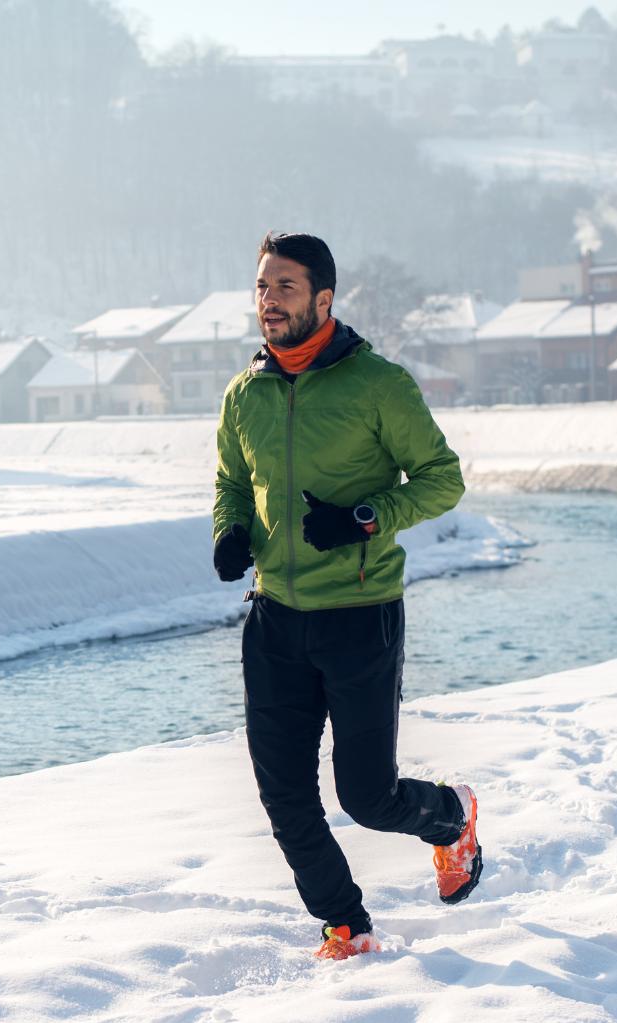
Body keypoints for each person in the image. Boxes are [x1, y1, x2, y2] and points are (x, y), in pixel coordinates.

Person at [213, 232, 477, 962]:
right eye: (263, 286)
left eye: (285, 288)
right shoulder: (246, 393)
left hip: (360, 617)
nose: (269, 301)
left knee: (366, 797)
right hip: (273, 623)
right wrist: (231, 530)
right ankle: (346, 925)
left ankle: (451, 818)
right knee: (285, 798)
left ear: (323, 299)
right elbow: (233, 481)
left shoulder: (378, 385)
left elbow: (441, 479)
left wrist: (366, 518)